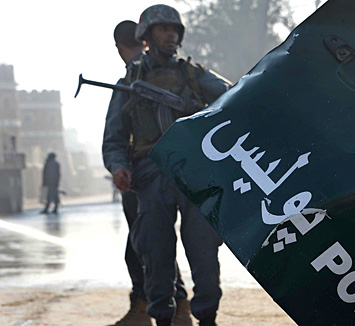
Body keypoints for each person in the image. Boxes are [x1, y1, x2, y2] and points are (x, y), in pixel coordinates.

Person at [102, 5, 231, 326]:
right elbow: (114, 138)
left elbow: (232, 98)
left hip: (194, 173)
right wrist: (119, 167)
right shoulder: (130, 81)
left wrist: (201, 115)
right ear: (146, 36)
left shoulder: (194, 74)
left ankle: (207, 317)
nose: (171, 35)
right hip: (150, 174)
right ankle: (162, 316)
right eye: (163, 29)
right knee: (156, 256)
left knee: (203, 252)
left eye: (175, 30)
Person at [104, 19, 191, 326]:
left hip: (148, 173)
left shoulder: (168, 75)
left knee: (150, 247)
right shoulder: (131, 81)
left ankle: (168, 305)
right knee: (150, 245)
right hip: (144, 172)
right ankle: (162, 306)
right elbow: (115, 136)